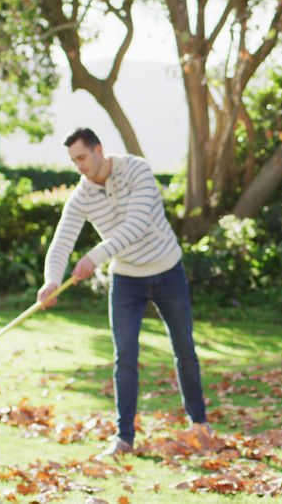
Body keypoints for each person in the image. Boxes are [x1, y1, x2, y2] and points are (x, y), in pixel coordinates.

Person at [37, 127, 209, 457]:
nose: (80, 166)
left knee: (184, 347)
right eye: (74, 161)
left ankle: (199, 423)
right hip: (127, 279)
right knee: (124, 357)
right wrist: (51, 280)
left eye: (83, 157)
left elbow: (137, 224)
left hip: (167, 269)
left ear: (99, 149)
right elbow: (62, 240)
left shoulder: (137, 170)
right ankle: (124, 439)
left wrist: (94, 257)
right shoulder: (82, 194)